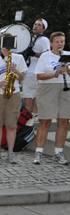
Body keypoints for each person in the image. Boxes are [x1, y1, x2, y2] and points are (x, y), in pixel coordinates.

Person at [0, 33, 27, 163]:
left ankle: (10, 152)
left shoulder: (19, 58)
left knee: (11, 125)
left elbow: (22, 77)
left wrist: (16, 71)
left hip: (13, 94)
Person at [33, 31, 70, 165]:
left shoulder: (68, 55)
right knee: (45, 121)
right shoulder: (45, 56)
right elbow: (39, 75)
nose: (60, 44)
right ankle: (39, 152)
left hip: (65, 89)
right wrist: (54, 74)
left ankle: (58, 152)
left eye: (62, 41)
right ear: (51, 43)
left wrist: (66, 68)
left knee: (64, 121)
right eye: (57, 42)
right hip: (48, 88)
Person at [23, 18, 50, 118]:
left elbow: (47, 55)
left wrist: (34, 54)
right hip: (30, 70)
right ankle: (30, 115)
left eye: (39, 25)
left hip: (35, 71)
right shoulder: (33, 39)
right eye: (35, 24)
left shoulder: (43, 40)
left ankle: (31, 115)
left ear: (43, 29)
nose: (35, 26)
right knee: (30, 95)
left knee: (31, 95)